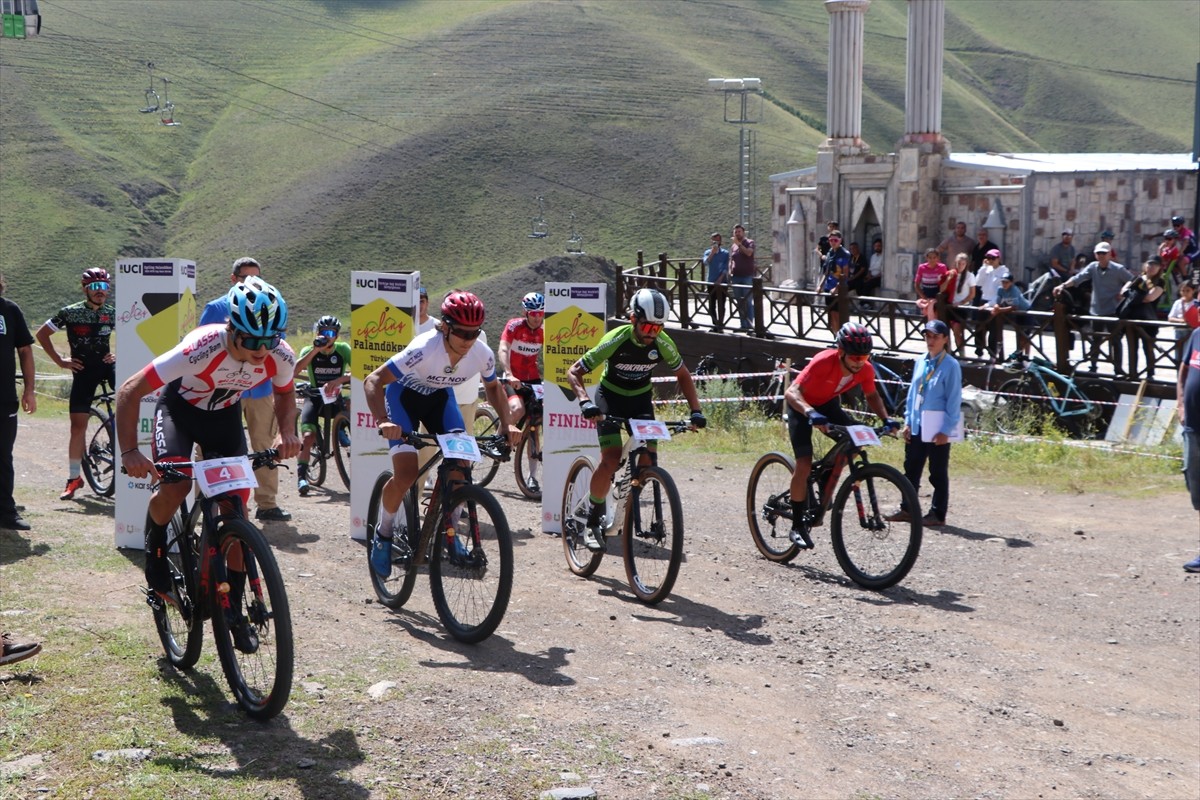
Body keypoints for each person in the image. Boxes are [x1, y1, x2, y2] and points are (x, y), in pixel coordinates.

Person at [117, 277, 300, 646]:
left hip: (223, 419)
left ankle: (232, 605)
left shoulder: (280, 354)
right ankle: (154, 549)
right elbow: (130, 390)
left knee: (235, 511)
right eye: (252, 341)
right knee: (177, 485)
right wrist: (129, 452)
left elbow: (285, 394)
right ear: (232, 329)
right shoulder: (200, 346)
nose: (262, 350)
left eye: (270, 340)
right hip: (179, 413)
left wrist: (286, 431)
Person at [362, 290, 517, 577]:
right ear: (445, 326)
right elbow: (373, 380)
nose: (468, 341)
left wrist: (506, 424)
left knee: (460, 465)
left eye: (475, 333)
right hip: (403, 399)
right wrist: (383, 420)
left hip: (440, 401)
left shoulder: (481, 353)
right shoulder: (424, 347)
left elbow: (494, 387)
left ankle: (450, 534)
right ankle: (383, 534)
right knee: (407, 474)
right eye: (461, 333)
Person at [566, 288, 706, 552]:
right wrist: (585, 401)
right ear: (633, 319)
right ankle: (593, 520)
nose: (653, 333)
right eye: (648, 327)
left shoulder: (663, 342)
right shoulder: (616, 338)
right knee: (610, 459)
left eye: (658, 327)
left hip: (640, 401)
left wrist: (696, 411)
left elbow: (684, 376)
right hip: (610, 398)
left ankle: (630, 502)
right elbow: (574, 371)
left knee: (649, 458)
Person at [781, 323, 893, 548]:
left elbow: (872, 395)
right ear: (841, 352)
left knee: (854, 441)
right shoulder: (823, 361)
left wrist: (886, 420)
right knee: (803, 464)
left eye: (864, 356)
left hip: (828, 405)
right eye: (854, 357)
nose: (859, 362)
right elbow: (791, 392)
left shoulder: (865, 369)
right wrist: (810, 412)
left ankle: (825, 476)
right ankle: (798, 526)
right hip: (801, 407)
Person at [199, 257, 291, 522]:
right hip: (223, 390)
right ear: (233, 279)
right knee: (212, 448)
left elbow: (275, 348)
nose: (251, 282)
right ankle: (206, 503)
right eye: (244, 278)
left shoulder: (270, 307)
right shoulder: (216, 307)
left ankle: (267, 503)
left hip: (260, 390)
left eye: (257, 278)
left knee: (264, 443)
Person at [35, 268, 116, 501]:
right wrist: (60, 361)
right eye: (95, 287)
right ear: (85, 288)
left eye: (104, 287)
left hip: (107, 366)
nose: (100, 292)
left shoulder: (113, 313)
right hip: (83, 370)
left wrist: (119, 355)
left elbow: (137, 335)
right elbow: (42, 334)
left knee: (130, 391)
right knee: (77, 427)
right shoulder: (70, 313)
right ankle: (74, 478)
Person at [888, 319, 962, 527]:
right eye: (927, 336)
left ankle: (938, 513)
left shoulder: (951, 365)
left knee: (937, 471)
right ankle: (907, 509)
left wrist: (946, 429)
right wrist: (908, 422)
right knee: (910, 467)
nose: (931, 341)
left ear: (945, 339)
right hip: (918, 423)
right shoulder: (921, 360)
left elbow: (954, 400)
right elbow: (913, 394)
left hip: (937, 425)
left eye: (935, 337)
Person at [1054, 242, 1135, 371]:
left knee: (1115, 340)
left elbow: (1133, 280)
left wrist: (1124, 290)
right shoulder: (1092, 267)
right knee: (1095, 340)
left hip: (1113, 310)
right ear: (1095, 255)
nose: (1101, 256)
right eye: (1098, 253)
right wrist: (1062, 286)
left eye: (1104, 253)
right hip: (1096, 310)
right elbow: (1078, 278)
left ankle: (1118, 369)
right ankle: (1093, 366)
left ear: (1109, 254)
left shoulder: (1118, 269)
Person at [294, 315, 351, 496]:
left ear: (337, 335)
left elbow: (360, 369)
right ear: (317, 333)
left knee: (348, 412)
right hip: (315, 396)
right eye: (324, 332)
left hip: (334, 396)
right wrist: (315, 350)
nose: (328, 336)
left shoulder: (343, 349)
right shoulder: (309, 349)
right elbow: (294, 370)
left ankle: (341, 434)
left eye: (332, 333)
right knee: (308, 436)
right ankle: (302, 476)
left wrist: (340, 379)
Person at [1, 275, 36, 531]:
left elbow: (25, 350)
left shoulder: (9, 310)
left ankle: (6, 512)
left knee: (3, 456)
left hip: (4, 399)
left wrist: (30, 390)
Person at [497, 291, 544, 425]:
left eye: (541, 313)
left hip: (532, 378)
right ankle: (498, 442)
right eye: (533, 313)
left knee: (540, 414)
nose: (537, 318)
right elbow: (503, 349)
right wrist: (508, 374)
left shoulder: (545, 331)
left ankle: (533, 446)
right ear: (525, 312)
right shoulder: (514, 326)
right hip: (513, 377)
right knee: (518, 410)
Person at [1176, 324, 1200, 572]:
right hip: (1193, 425)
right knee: (1197, 487)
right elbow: (1183, 371)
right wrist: (1181, 404)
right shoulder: (1197, 335)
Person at [1117, 258, 1166, 377]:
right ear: (1145, 265)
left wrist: (1134, 296)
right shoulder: (1137, 278)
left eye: (1156, 265)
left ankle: (1150, 374)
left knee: (1148, 348)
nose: (1152, 267)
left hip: (1148, 319)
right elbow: (1123, 291)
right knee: (1132, 347)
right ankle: (1133, 374)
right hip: (1132, 318)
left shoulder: (1160, 282)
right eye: (1150, 264)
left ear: (1160, 268)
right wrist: (1135, 296)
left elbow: (1150, 298)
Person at [983, 267, 1033, 359]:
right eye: (1003, 282)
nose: (1004, 284)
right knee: (1019, 334)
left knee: (1025, 336)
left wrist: (999, 310)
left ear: (1011, 283)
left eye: (1006, 282)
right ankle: (1019, 356)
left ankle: (1026, 356)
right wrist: (996, 306)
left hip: (1026, 311)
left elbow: (1014, 306)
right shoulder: (1000, 289)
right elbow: (998, 301)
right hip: (1017, 314)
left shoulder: (1014, 290)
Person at [818, 231, 852, 332]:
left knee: (838, 314)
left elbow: (845, 274)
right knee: (831, 314)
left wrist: (837, 288)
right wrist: (820, 285)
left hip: (839, 289)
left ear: (840, 240)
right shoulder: (829, 253)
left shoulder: (845, 254)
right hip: (829, 287)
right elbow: (826, 272)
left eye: (835, 240)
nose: (833, 242)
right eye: (831, 240)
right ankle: (835, 336)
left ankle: (840, 338)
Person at [947, 252, 977, 353]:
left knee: (957, 332)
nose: (960, 266)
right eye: (959, 263)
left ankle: (961, 354)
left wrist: (961, 302)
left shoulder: (970, 276)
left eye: (963, 264)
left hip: (962, 308)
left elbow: (972, 294)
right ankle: (949, 352)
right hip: (950, 306)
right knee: (946, 332)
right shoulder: (951, 273)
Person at [729, 223, 756, 332]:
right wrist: (730, 270)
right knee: (739, 302)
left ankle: (750, 325)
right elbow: (731, 259)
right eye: (735, 232)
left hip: (747, 276)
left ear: (743, 232)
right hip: (736, 276)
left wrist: (739, 244)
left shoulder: (749, 242)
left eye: (739, 231)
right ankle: (743, 325)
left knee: (748, 301)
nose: (737, 233)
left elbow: (749, 253)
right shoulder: (733, 246)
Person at [701, 233, 730, 330]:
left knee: (721, 304)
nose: (716, 243)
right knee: (711, 305)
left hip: (722, 282)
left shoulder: (725, 253)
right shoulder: (707, 252)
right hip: (711, 282)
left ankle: (720, 324)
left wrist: (720, 278)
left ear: (720, 241)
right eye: (714, 241)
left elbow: (726, 267)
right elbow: (705, 263)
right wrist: (712, 253)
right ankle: (715, 324)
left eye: (717, 241)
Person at [913, 248, 949, 323]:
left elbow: (945, 282)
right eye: (930, 257)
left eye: (934, 257)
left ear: (938, 258)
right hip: (926, 296)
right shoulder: (922, 267)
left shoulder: (942, 267)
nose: (932, 260)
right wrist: (923, 296)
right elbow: (916, 284)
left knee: (938, 319)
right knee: (926, 320)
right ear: (926, 258)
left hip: (939, 297)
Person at [1168, 280, 1199, 362]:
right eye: (1183, 291)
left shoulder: (1196, 303)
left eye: (1188, 290)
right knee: (1178, 355)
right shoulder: (1177, 303)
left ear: (1193, 290)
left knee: (1189, 355)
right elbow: (1170, 317)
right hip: (1179, 331)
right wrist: (1180, 321)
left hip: (1191, 331)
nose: (1185, 293)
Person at [849, 237, 883, 303]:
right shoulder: (873, 256)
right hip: (871, 276)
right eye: (876, 246)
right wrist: (868, 276)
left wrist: (872, 277)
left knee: (866, 284)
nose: (877, 248)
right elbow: (870, 269)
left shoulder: (884, 257)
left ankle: (865, 304)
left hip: (878, 277)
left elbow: (882, 272)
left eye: (879, 246)